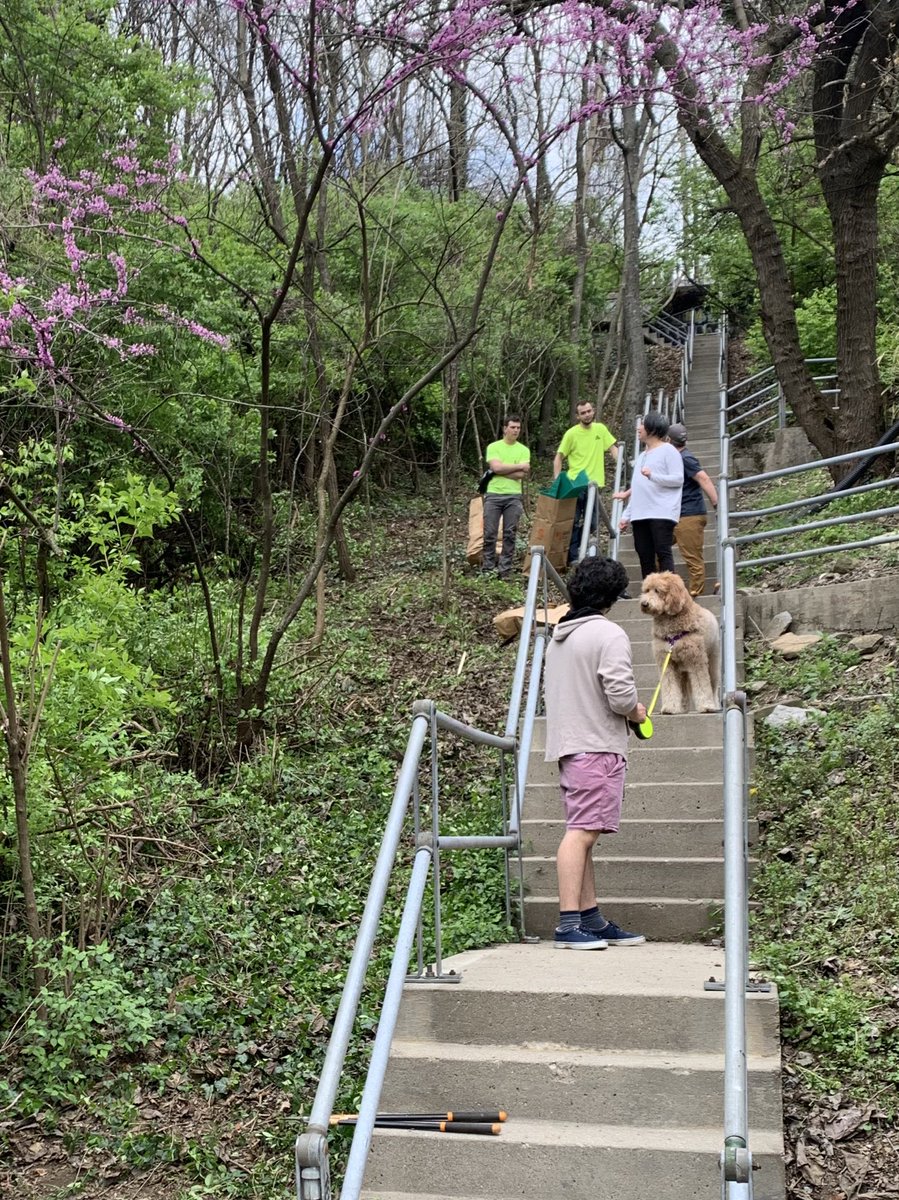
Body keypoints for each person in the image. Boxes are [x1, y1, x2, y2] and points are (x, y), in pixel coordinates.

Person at [543, 557, 647, 950]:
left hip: (571, 746)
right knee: (580, 835)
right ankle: (568, 924)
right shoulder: (608, 634)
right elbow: (620, 695)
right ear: (612, 596)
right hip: (596, 745)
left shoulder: (560, 637)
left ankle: (590, 918)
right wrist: (635, 711)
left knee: (584, 832)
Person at [613, 410, 683, 579]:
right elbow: (638, 488)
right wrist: (625, 515)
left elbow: (678, 479)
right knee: (645, 557)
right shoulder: (642, 456)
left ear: (652, 428)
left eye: (643, 424)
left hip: (661, 512)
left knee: (663, 553)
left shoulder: (669, 450)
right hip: (640, 514)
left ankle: (669, 593)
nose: (639, 428)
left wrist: (653, 475)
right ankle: (650, 596)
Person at [553, 401, 619, 565]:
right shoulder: (571, 434)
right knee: (574, 520)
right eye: (583, 413)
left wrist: (619, 461)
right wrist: (557, 480)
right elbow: (559, 457)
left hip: (595, 484)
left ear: (593, 411)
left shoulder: (600, 429)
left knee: (593, 522)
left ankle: (579, 547)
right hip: (575, 484)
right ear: (578, 416)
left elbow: (613, 448)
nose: (587, 414)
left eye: (589, 411)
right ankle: (573, 556)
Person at [667, 422, 718, 597]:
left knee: (692, 558)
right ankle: (669, 591)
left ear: (668, 440)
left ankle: (696, 595)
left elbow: (703, 478)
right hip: (675, 515)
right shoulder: (676, 458)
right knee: (660, 551)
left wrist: (717, 503)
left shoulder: (685, 458)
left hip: (689, 514)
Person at [482, 414, 530, 578]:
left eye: (518, 427)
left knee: (510, 533)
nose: (516, 430)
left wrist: (501, 471)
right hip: (493, 495)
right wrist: (516, 467)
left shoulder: (524, 450)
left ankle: (505, 570)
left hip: (514, 496)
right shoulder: (494, 447)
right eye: (512, 427)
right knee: (490, 533)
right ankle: (487, 568)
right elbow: (496, 468)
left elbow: (522, 475)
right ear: (505, 428)